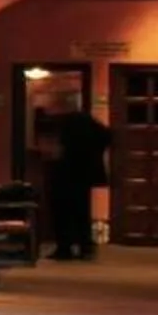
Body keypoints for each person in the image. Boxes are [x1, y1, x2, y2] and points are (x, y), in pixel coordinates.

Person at [44, 100, 112, 259]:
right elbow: (107, 136)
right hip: (83, 174)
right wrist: (94, 155)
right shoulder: (86, 121)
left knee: (62, 211)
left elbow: (59, 148)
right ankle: (84, 247)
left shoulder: (66, 123)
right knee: (81, 210)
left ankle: (65, 248)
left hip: (66, 172)